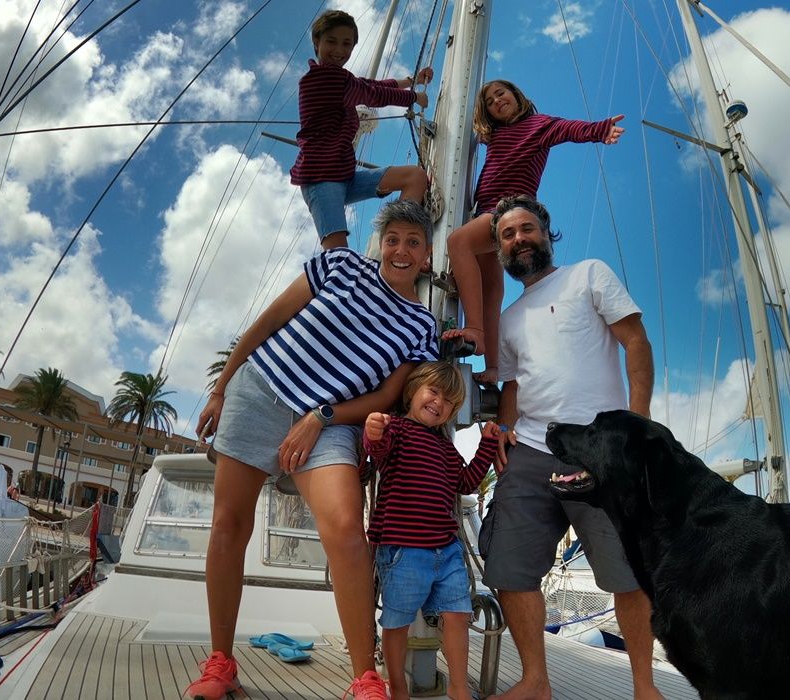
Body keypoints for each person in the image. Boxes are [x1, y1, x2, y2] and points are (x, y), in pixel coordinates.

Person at [186, 199, 439, 700]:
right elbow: (268, 319)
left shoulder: (422, 326)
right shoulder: (340, 264)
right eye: (393, 239)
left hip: (330, 421)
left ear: (427, 255)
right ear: (380, 244)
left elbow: (388, 397)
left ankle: (364, 677)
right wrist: (220, 387)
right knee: (228, 524)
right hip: (259, 389)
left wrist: (319, 415)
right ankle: (220, 664)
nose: (401, 250)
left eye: (413, 242)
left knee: (346, 531)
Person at [478, 196, 663, 700]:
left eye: (527, 229)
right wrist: (503, 429)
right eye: (508, 235)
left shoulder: (589, 275)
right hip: (532, 452)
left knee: (627, 574)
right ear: (500, 249)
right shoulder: (509, 320)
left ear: (546, 233)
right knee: (509, 569)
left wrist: (637, 423)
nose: (519, 239)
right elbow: (513, 387)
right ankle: (536, 682)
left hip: (601, 449)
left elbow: (637, 342)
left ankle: (645, 687)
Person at [441, 80, 624, 382]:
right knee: (491, 291)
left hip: (509, 209)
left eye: (501, 93)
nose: (496, 101)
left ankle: (474, 329)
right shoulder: (495, 135)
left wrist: (599, 130)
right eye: (489, 101)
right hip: (485, 213)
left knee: (458, 242)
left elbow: (569, 129)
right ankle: (495, 367)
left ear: (517, 95)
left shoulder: (537, 125)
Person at [363, 362, 500, 700]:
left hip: (447, 548)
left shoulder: (444, 447)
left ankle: (458, 688)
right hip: (403, 549)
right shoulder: (395, 429)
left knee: (458, 615)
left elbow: (466, 481)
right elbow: (376, 453)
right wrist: (373, 430)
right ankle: (398, 688)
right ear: (413, 392)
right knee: (397, 621)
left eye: (450, 402)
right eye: (434, 392)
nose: (440, 403)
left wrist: (485, 446)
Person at [293, 9, 434, 250]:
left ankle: (395, 249)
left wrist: (411, 81)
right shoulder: (320, 79)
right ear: (316, 42)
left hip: (344, 175)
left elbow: (369, 85)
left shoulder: (340, 77)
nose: (339, 50)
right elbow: (373, 94)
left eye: (346, 44)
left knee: (415, 177)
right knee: (338, 258)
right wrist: (413, 97)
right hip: (321, 179)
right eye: (331, 41)